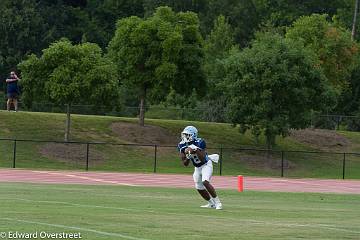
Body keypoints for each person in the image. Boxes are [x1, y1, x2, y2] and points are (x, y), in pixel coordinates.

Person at [177, 126, 223, 210]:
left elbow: (202, 159)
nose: (185, 137)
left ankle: (218, 203)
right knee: (199, 187)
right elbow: (185, 163)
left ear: (193, 135)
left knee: (205, 182)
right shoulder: (181, 145)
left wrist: (195, 150)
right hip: (197, 167)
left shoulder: (200, 142)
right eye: (184, 134)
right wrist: (188, 156)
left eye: (187, 135)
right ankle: (211, 203)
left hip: (206, 164)